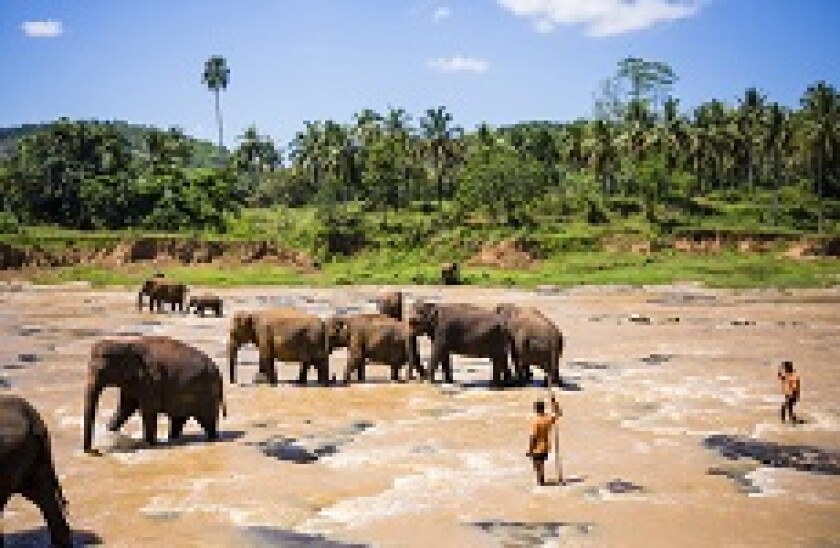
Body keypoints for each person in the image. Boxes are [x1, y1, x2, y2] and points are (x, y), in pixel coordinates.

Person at [526, 393, 562, 486]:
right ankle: (542, 482)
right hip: (546, 446)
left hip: (537, 447)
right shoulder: (547, 419)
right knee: (541, 466)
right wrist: (555, 403)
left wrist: (530, 449)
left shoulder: (536, 421)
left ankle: (541, 484)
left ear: (536, 409)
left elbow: (533, 436)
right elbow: (558, 413)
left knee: (537, 467)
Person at [777, 360, 801, 424]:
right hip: (789, 394)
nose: (784, 369)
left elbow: (795, 386)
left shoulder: (793, 375)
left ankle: (784, 422)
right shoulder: (788, 374)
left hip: (792, 394)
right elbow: (780, 377)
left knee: (784, 407)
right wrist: (780, 369)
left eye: (785, 367)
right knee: (789, 409)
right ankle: (791, 421)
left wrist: (794, 395)